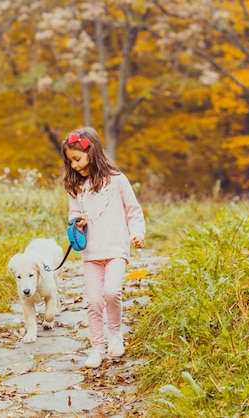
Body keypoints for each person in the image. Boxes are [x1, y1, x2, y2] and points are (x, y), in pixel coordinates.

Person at [61, 127, 146, 368]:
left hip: (116, 249)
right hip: (91, 254)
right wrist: (76, 220)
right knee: (94, 301)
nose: (75, 166)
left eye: (77, 159)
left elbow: (134, 210)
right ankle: (97, 347)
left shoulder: (118, 180)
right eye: (71, 162)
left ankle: (115, 335)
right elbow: (74, 212)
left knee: (111, 292)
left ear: (93, 152)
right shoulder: (77, 187)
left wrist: (138, 233)